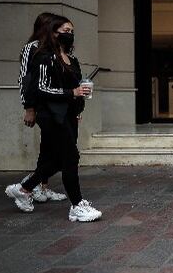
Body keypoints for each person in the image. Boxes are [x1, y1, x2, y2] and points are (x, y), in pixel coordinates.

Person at [5, 15, 102, 222]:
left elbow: (76, 85)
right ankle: (77, 205)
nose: (70, 34)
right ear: (53, 32)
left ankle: (24, 188)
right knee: (70, 157)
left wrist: (78, 106)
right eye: (65, 30)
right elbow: (39, 87)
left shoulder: (72, 59)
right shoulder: (44, 56)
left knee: (59, 159)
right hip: (51, 115)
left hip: (69, 114)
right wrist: (70, 94)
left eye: (72, 31)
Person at [18, 12, 68, 203]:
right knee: (54, 149)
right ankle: (29, 186)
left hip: (56, 106)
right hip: (42, 107)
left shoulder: (55, 49)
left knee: (48, 147)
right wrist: (29, 107)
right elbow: (25, 79)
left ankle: (40, 186)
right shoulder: (32, 48)